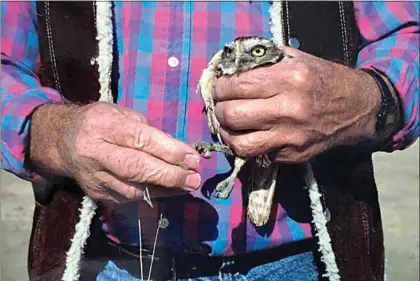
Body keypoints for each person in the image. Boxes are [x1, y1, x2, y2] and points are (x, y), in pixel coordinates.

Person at [1, 1, 418, 281]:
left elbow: (409, 38)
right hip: (101, 259)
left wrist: (368, 99)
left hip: (302, 261)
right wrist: (52, 132)